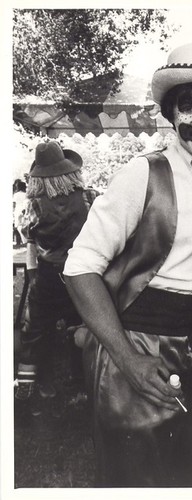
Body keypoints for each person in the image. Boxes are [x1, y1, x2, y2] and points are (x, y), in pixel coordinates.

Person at [63, 42, 192, 487]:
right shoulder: (143, 174)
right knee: (136, 477)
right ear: (170, 115)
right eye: (189, 107)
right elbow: (80, 265)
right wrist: (127, 358)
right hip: (137, 344)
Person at [14, 141, 99, 414]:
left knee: (37, 329)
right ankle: (84, 382)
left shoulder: (33, 206)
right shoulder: (89, 197)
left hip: (49, 275)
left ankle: (34, 385)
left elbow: (29, 242)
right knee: (82, 325)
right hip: (82, 273)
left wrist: (32, 274)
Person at [13, 179, 28, 246]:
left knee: (18, 226)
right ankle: (25, 240)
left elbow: (14, 204)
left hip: (18, 210)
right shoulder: (26, 194)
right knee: (24, 225)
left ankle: (20, 241)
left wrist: (13, 211)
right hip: (24, 209)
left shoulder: (15, 195)